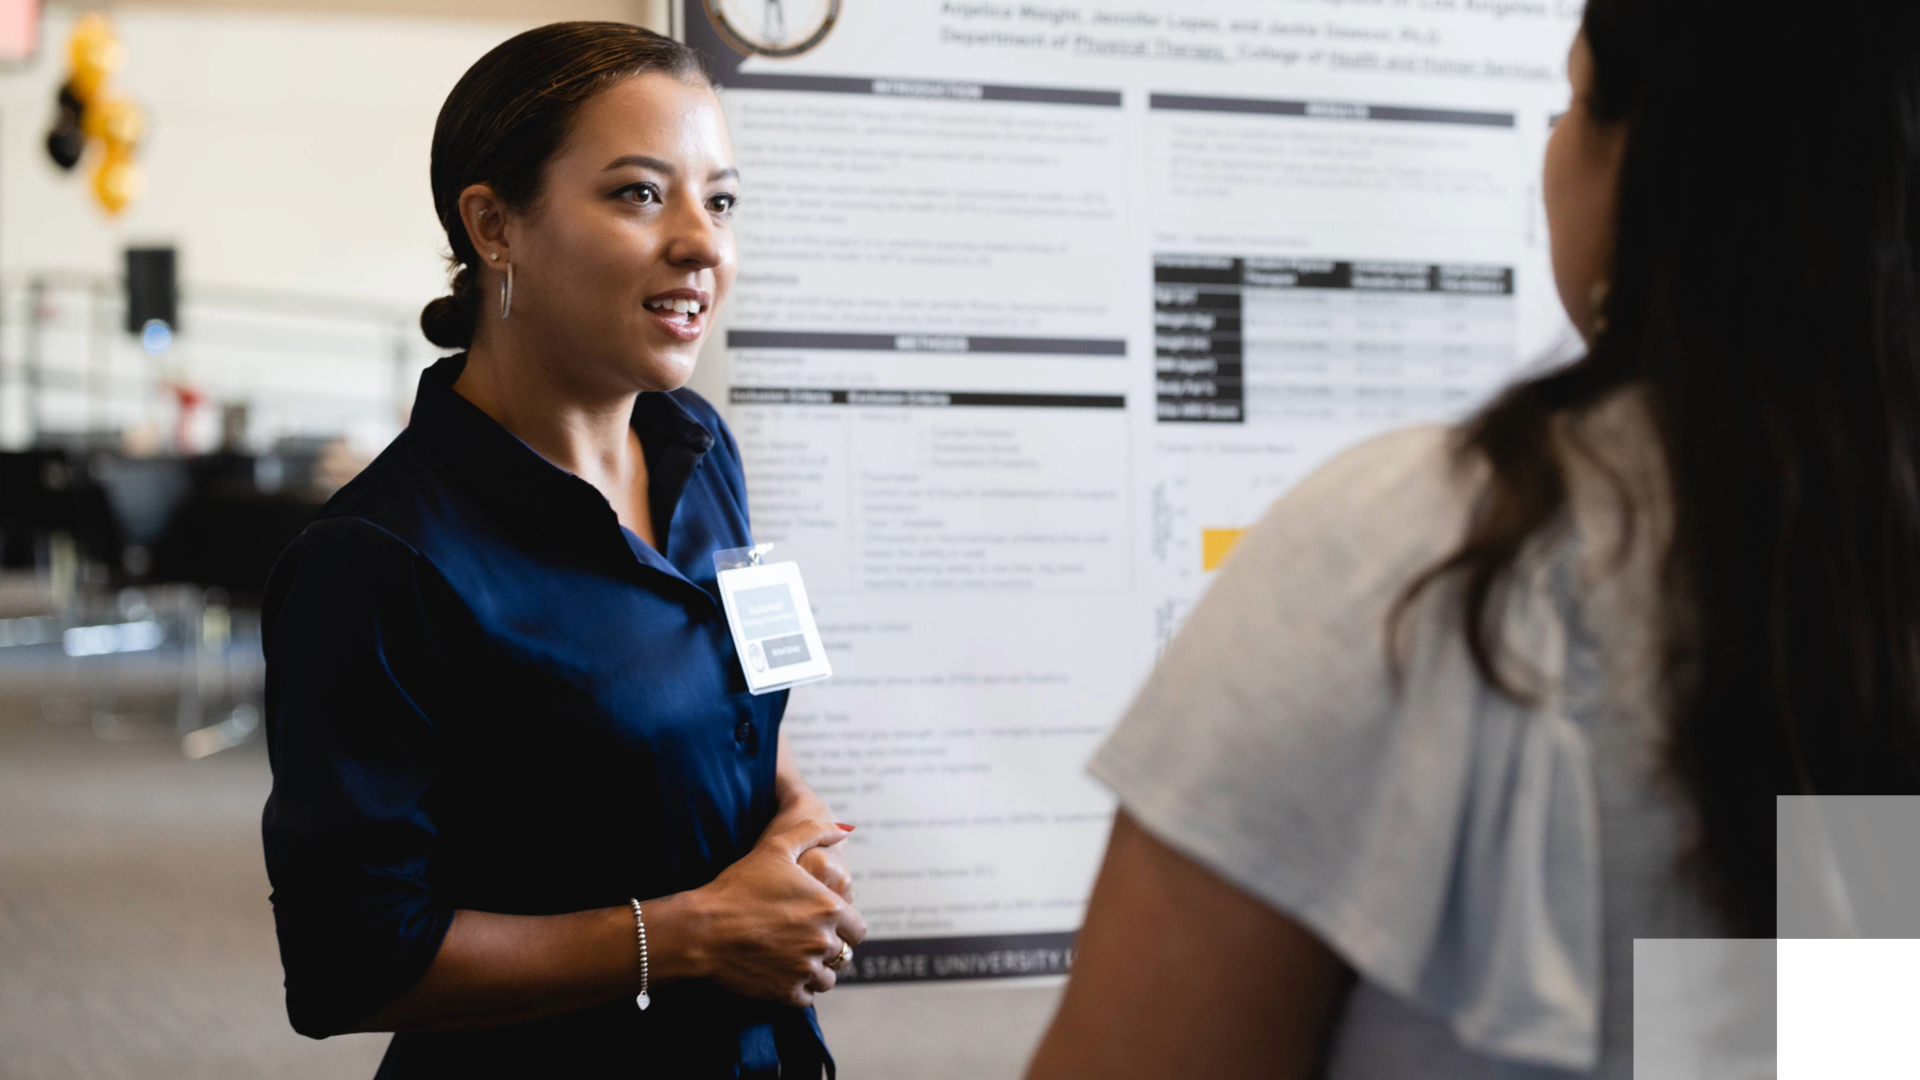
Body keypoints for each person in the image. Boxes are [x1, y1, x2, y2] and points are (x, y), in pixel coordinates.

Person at [1028, 0, 1920, 1077]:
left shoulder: (1410, 560)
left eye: (1572, 102)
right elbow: (1816, 1040)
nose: (1552, 149)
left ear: (1655, 169)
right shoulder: (1849, 563)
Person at [259, 23, 864, 1078]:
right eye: (639, 193)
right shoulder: (381, 556)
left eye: (720, 201)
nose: (701, 244)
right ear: (495, 226)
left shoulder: (697, 448)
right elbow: (350, 961)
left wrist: (793, 807)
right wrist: (701, 931)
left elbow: (747, 690)